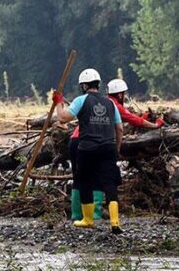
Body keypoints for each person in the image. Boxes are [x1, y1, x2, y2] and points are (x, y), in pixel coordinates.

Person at [68, 78, 164, 222]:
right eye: (124, 94)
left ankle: (77, 214)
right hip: (90, 142)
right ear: (119, 94)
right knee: (100, 178)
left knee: (79, 177)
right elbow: (130, 121)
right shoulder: (112, 104)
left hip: (77, 140)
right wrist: (155, 125)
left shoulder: (98, 101)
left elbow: (129, 117)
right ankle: (95, 214)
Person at [54, 68, 124, 233]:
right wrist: (116, 148)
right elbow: (119, 128)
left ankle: (88, 219)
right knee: (110, 183)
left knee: (85, 181)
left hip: (87, 147)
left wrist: (58, 102)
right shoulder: (110, 103)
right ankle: (115, 222)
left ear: (84, 85)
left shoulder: (81, 100)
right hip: (108, 147)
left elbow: (63, 118)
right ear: (98, 84)